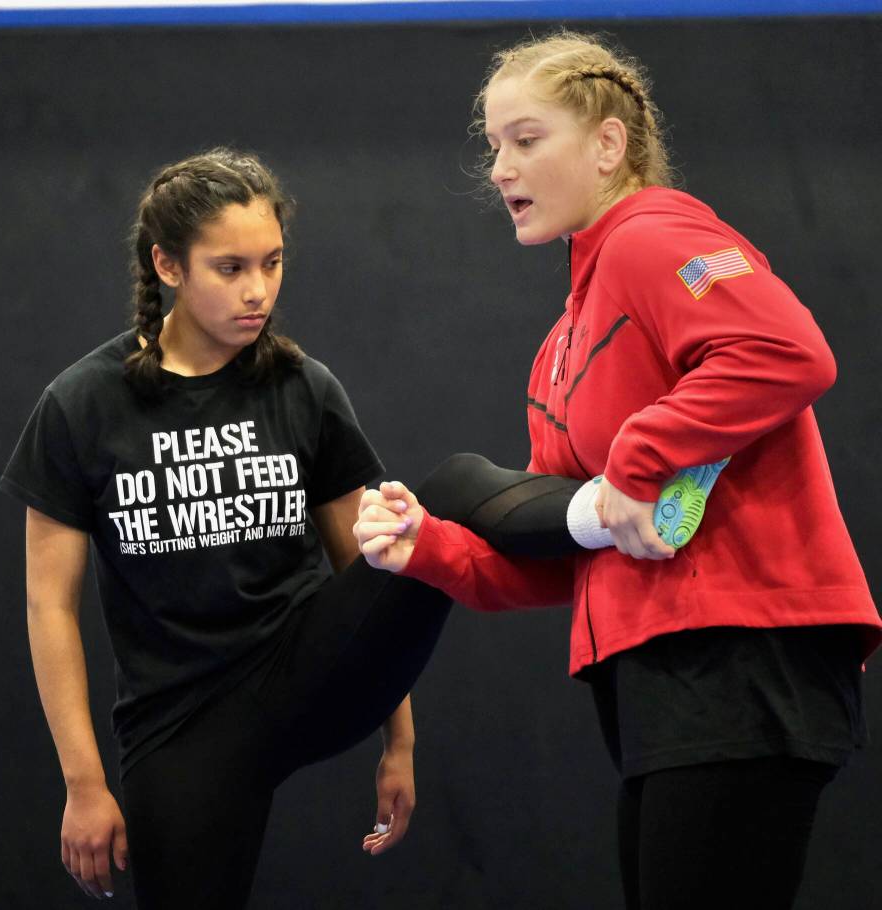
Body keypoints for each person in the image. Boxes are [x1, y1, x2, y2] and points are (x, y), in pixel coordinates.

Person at [0, 148, 648, 908]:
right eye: (230, 268)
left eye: (272, 263)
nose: (259, 291)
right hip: (182, 724)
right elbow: (49, 609)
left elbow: (374, 561)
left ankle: (608, 511)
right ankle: (604, 514)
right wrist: (82, 784)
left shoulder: (302, 387)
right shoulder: (81, 404)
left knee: (440, 494)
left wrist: (398, 741)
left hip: (307, 672)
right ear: (168, 266)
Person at [353, 31, 882, 910]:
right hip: (657, 681)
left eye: (527, 139)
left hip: (742, 655)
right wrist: (426, 551)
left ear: (608, 145)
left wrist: (638, 458)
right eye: (494, 146)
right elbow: (564, 550)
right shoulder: (560, 346)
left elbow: (789, 351)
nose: (500, 169)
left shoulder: (651, 233)